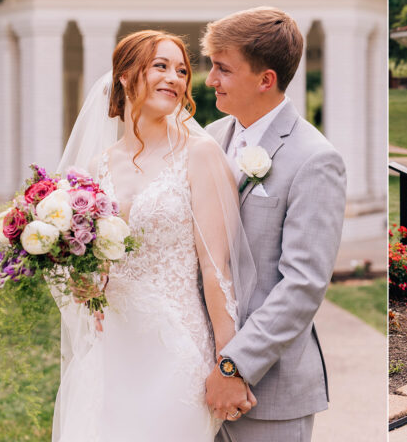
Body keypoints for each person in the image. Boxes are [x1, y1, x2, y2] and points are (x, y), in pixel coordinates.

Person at [53, 30, 257, 441]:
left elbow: (217, 271)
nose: (175, 78)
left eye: (181, 70)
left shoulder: (198, 155)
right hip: (110, 351)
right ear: (126, 76)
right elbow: (90, 267)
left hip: (175, 350)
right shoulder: (97, 168)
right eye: (160, 66)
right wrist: (81, 280)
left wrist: (229, 365)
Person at [200, 7, 347, 442]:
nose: (210, 80)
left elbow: (302, 284)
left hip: (269, 394)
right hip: (192, 377)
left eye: (223, 69)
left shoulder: (316, 159)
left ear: (265, 79)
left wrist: (234, 364)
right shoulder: (206, 139)